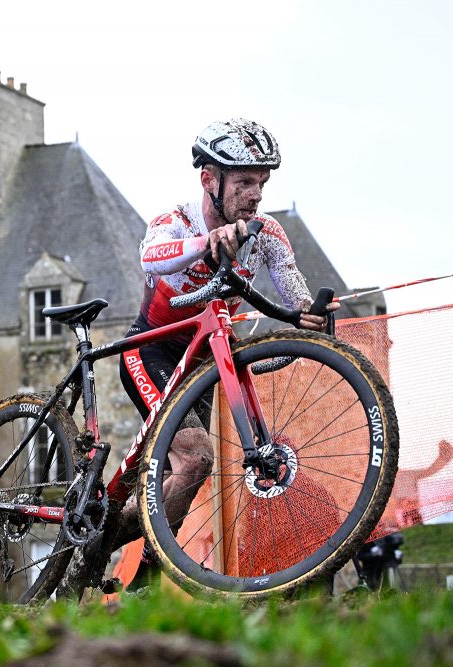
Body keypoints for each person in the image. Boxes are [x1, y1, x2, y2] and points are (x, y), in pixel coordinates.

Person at [114, 119, 340, 588]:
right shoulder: (175, 222)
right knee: (195, 460)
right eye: (243, 183)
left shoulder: (268, 233)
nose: (256, 194)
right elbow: (151, 257)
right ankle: (149, 581)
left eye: (261, 183)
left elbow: (294, 294)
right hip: (152, 351)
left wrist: (312, 315)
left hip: (205, 359)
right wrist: (204, 244)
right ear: (208, 181)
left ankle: (126, 556)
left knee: (184, 475)